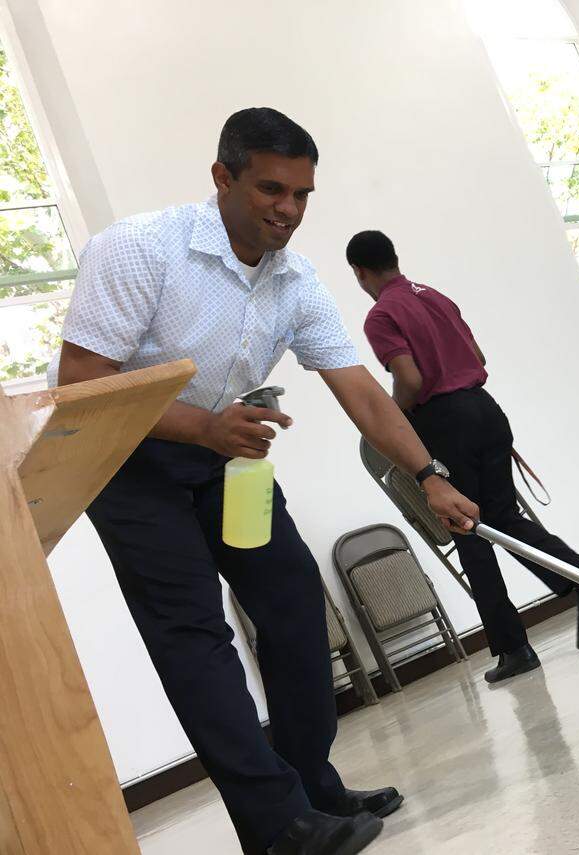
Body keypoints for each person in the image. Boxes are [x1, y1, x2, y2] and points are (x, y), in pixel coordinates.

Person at [50, 108, 479, 855]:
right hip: (131, 468)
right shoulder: (139, 250)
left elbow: (364, 392)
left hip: (230, 460)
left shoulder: (296, 280)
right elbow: (84, 383)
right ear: (223, 177)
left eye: (302, 195)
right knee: (197, 637)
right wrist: (202, 427)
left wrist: (428, 475)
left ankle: (310, 783)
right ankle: (276, 824)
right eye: (270, 189)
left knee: (290, 604)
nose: (288, 210)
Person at [346, 230, 579, 684]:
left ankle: (514, 649)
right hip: (486, 410)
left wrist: (398, 418)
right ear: (395, 257)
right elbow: (477, 354)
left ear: (360, 272)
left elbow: (408, 378)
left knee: (469, 533)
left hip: (446, 423)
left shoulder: (381, 314)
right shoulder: (435, 297)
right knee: (502, 517)